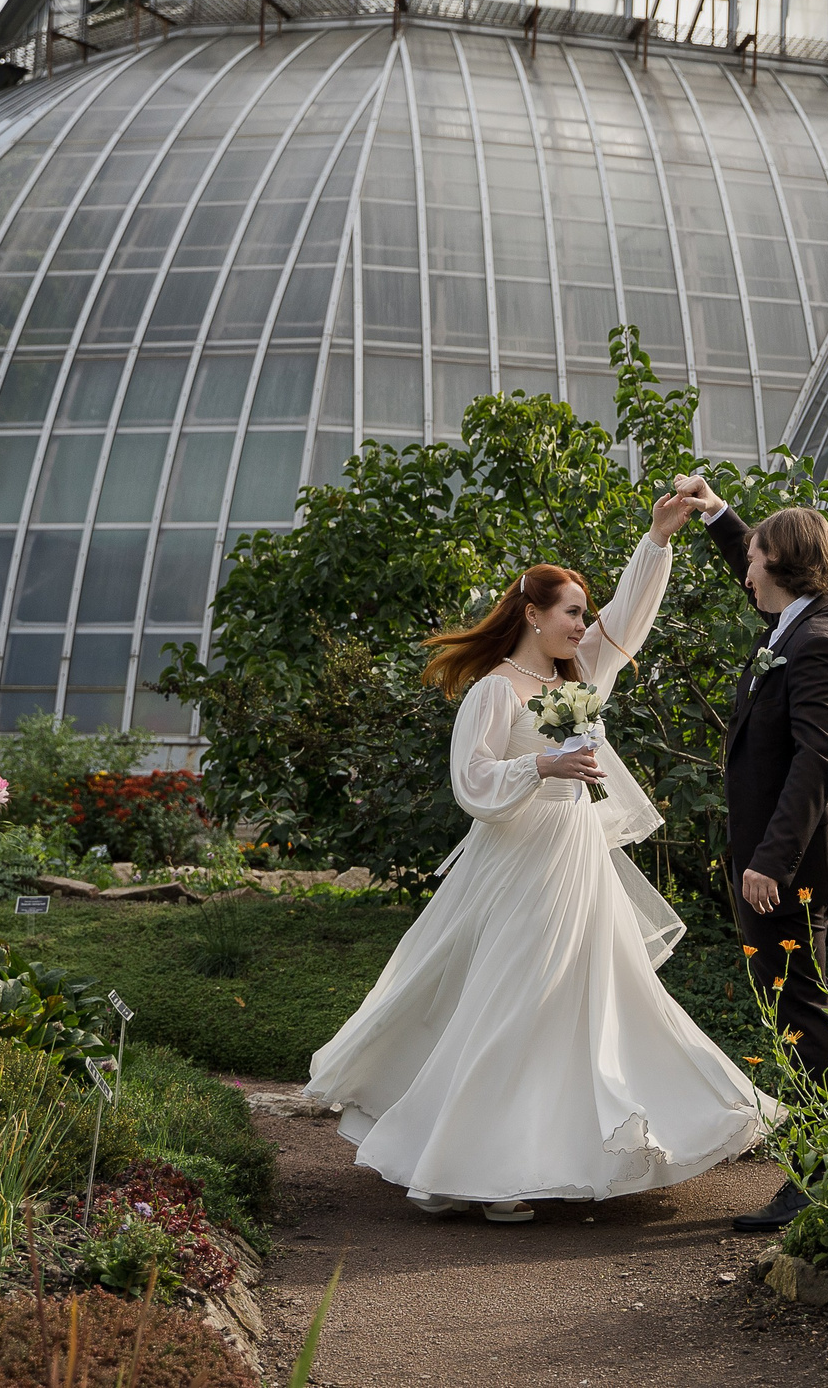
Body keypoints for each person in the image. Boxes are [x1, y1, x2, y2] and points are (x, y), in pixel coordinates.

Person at [301, 488, 775, 1222]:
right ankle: (476, 1170)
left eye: (584, 615)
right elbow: (471, 782)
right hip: (520, 866)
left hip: (579, 860)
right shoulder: (495, 691)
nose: (583, 625)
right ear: (532, 613)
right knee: (513, 1005)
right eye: (572, 613)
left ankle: (545, 1155)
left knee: (590, 1004)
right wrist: (541, 766)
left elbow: (629, 618)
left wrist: (657, 539)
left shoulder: (577, 678)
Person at [669, 477, 828, 1234]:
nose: (745, 572)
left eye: (753, 558)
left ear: (782, 565)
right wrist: (718, 515)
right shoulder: (803, 619)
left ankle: (817, 1180)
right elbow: (754, 569)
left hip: (791, 870)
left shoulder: (821, 644)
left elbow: (818, 760)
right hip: (782, 862)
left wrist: (771, 861)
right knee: (798, 1008)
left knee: (802, 1015)